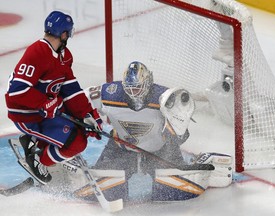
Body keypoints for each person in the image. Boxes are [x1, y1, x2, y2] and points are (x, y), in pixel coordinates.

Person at [84, 61, 209, 202]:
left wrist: (177, 126)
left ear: (148, 83)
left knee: (171, 194)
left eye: (137, 88)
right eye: (130, 88)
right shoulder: (110, 92)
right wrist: (85, 117)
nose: (133, 93)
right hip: (121, 146)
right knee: (105, 189)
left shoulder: (166, 96)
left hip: (160, 149)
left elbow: (181, 134)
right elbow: (81, 99)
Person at [5, 11, 103, 185]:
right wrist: (45, 103)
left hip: (45, 110)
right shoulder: (37, 52)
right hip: (27, 115)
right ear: (64, 34)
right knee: (77, 142)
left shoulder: (65, 55)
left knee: (82, 128)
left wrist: (87, 114)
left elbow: (70, 89)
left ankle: (36, 143)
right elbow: (17, 91)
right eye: (69, 33)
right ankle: (39, 160)